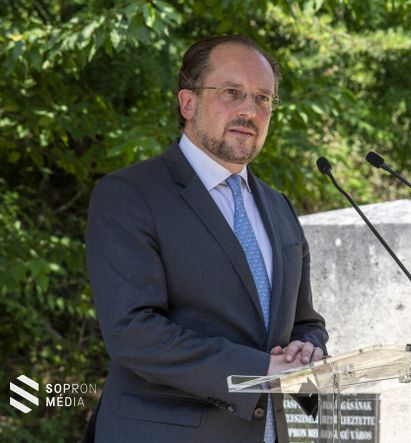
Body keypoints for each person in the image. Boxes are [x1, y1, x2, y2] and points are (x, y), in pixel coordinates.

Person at [85, 35, 328, 443]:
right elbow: (132, 330)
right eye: (231, 92)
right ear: (188, 103)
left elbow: (305, 321)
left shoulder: (279, 207)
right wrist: (259, 370)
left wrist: (307, 349)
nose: (249, 110)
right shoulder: (130, 194)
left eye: (263, 98)